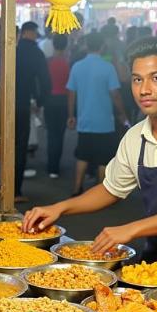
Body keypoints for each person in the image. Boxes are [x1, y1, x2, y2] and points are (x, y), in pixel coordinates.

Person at [25, 37, 157, 288]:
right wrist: (59, 208)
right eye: (137, 79)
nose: (144, 89)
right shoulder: (135, 136)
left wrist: (131, 229)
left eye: (156, 78)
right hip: (156, 260)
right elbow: (110, 189)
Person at [0, 21, 51, 202]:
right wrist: (39, 101)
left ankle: (1, 184)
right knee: (19, 148)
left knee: (1, 145)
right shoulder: (35, 53)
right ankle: (15, 192)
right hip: (22, 106)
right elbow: (45, 81)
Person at [66, 32, 127, 196]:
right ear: (102, 47)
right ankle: (100, 192)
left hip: (84, 120)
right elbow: (115, 94)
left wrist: (71, 115)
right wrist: (122, 114)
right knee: (104, 158)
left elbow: (71, 93)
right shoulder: (108, 67)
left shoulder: (77, 66)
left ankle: (76, 188)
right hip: (104, 122)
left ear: (87, 45)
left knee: (82, 155)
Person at [44, 33, 70, 179]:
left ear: (53, 45)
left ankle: (51, 166)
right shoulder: (68, 63)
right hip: (64, 101)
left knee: (51, 134)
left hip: (49, 100)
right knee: (59, 135)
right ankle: (55, 167)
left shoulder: (47, 62)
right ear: (66, 45)